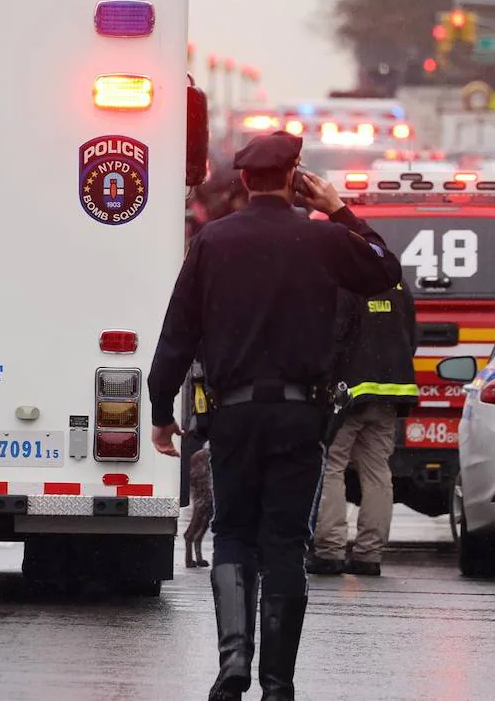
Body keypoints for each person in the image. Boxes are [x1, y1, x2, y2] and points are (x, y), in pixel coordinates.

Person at [147, 130, 402, 701]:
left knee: (233, 535)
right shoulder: (324, 240)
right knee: (285, 542)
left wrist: (162, 411)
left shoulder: (212, 242)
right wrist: (339, 210)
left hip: (233, 418)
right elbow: (386, 270)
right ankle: (278, 682)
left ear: (242, 180)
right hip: (299, 416)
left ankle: (234, 658)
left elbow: (177, 334)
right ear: (295, 178)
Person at [308, 283, 419, 577]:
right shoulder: (397, 285)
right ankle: (369, 555)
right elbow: (411, 337)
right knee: (377, 470)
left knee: (331, 465)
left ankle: (329, 551)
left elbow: (333, 338)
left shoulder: (345, 281)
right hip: (392, 393)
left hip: (349, 394)